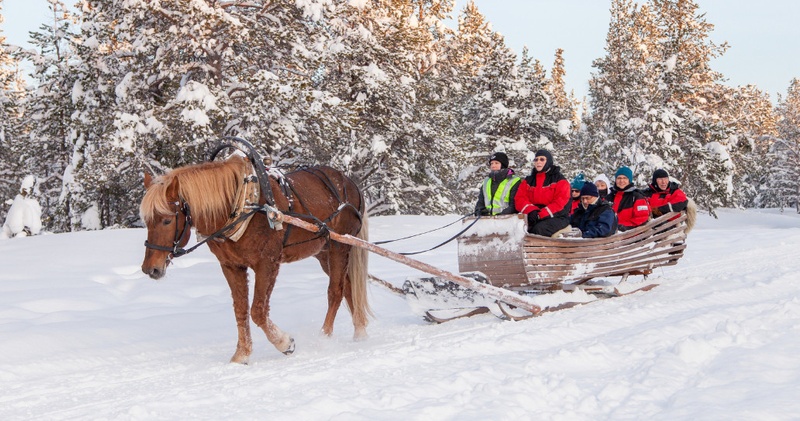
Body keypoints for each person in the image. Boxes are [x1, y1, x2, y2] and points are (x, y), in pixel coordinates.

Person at [514, 149, 571, 236]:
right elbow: (519, 198)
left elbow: (561, 202)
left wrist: (541, 214)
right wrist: (531, 210)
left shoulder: (559, 180)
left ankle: (539, 249)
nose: (538, 162)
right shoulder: (529, 180)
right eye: (536, 159)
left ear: (548, 161)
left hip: (557, 217)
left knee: (538, 229)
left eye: (542, 159)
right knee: (517, 228)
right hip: (533, 215)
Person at [474, 152, 522, 216]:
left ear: (503, 165)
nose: (493, 166)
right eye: (491, 163)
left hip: (507, 218)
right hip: (487, 219)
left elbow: (514, 205)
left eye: (496, 163)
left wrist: (502, 214)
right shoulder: (487, 181)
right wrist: (479, 210)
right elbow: (481, 201)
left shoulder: (514, 181)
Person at [606, 166, 650, 231]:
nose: (621, 181)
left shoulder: (637, 197)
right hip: (609, 234)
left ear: (629, 180)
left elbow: (642, 219)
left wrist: (622, 227)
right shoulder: (609, 197)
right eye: (619, 178)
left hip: (629, 235)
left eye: (625, 178)